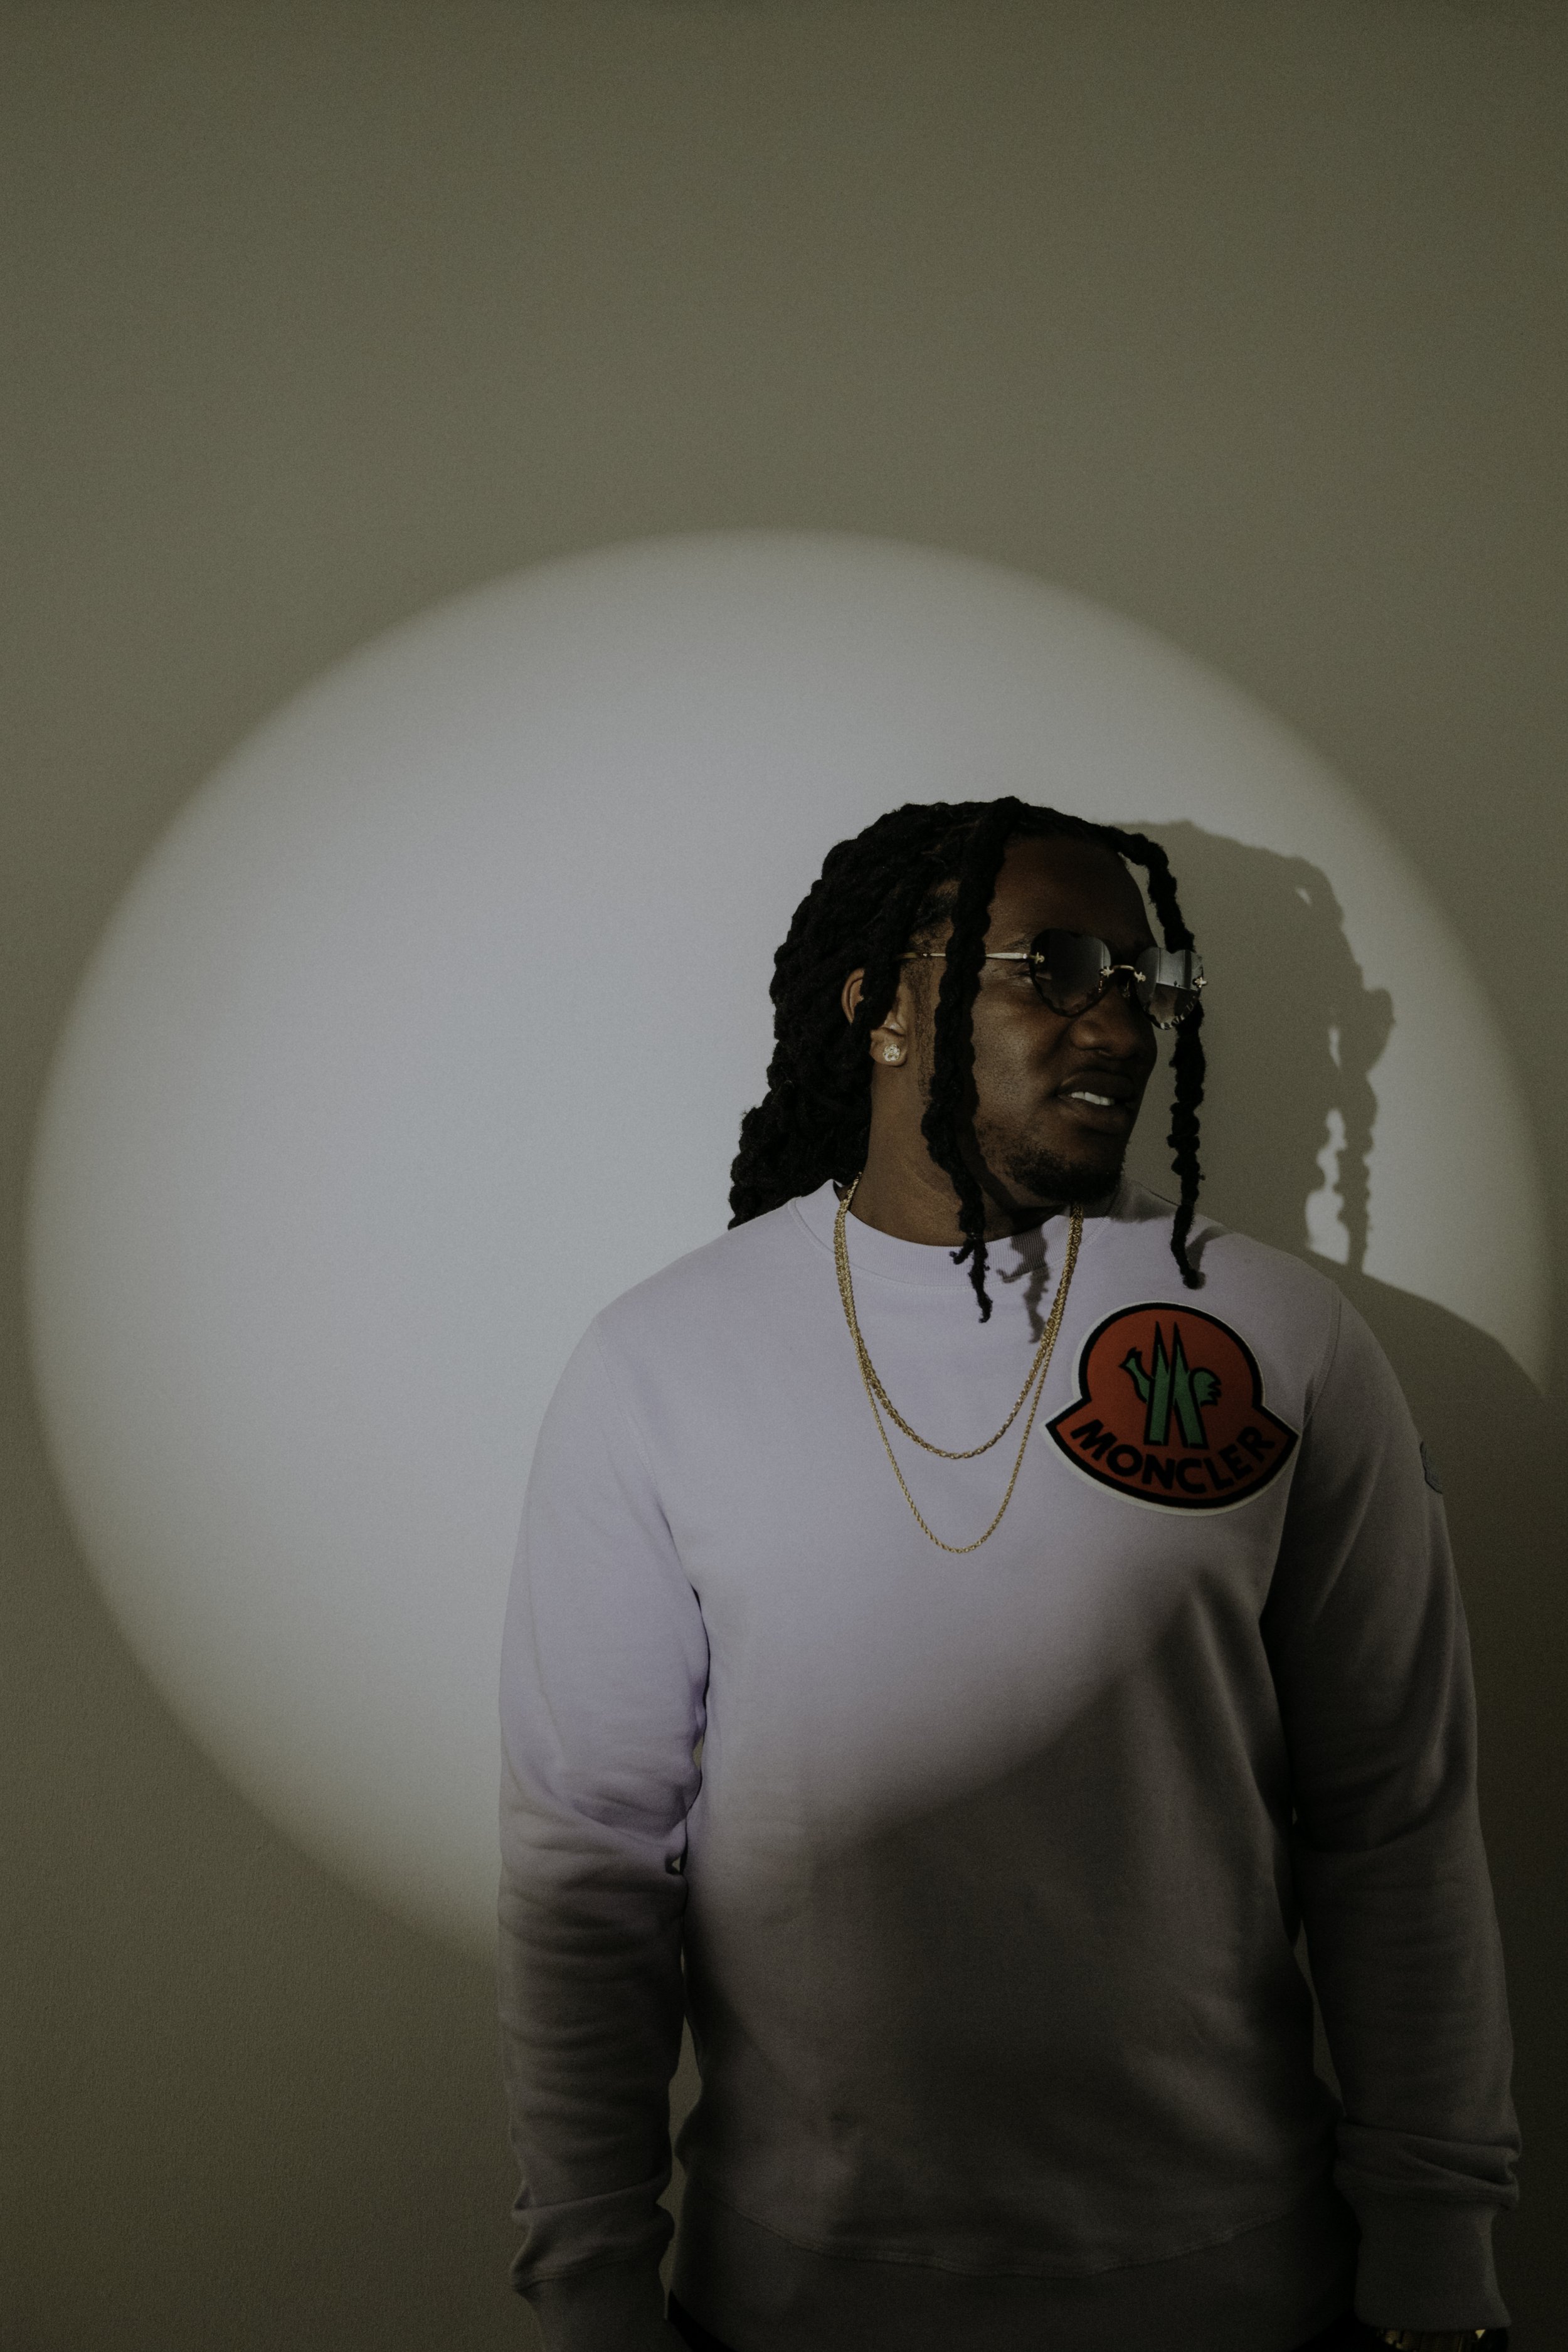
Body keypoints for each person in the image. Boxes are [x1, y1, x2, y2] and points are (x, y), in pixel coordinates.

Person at [497, 797, 1518, 2352]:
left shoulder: (1278, 1337)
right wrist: (589, 2291)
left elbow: (1394, 1822)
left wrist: (1439, 2257)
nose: (1118, 1016)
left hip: (1243, 2289)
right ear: (880, 1004)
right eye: (1056, 965)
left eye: (1142, 979)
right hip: (792, 2301)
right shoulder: (665, 1363)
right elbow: (589, 1866)